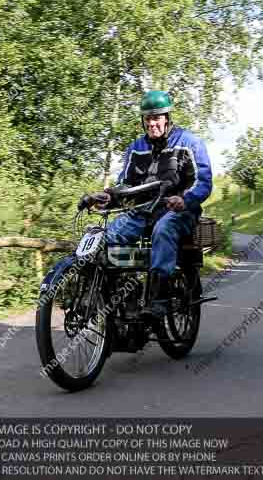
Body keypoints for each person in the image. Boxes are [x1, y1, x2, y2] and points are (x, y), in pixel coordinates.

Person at [84, 90, 213, 318]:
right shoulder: (136, 148)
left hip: (177, 211)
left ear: (167, 118)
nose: (152, 123)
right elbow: (125, 185)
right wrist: (108, 197)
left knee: (164, 230)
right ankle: (121, 293)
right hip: (141, 212)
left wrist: (184, 199)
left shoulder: (189, 143)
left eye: (157, 117)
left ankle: (160, 298)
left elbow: (203, 181)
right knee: (104, 237)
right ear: (142, 120)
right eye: (148, 118)